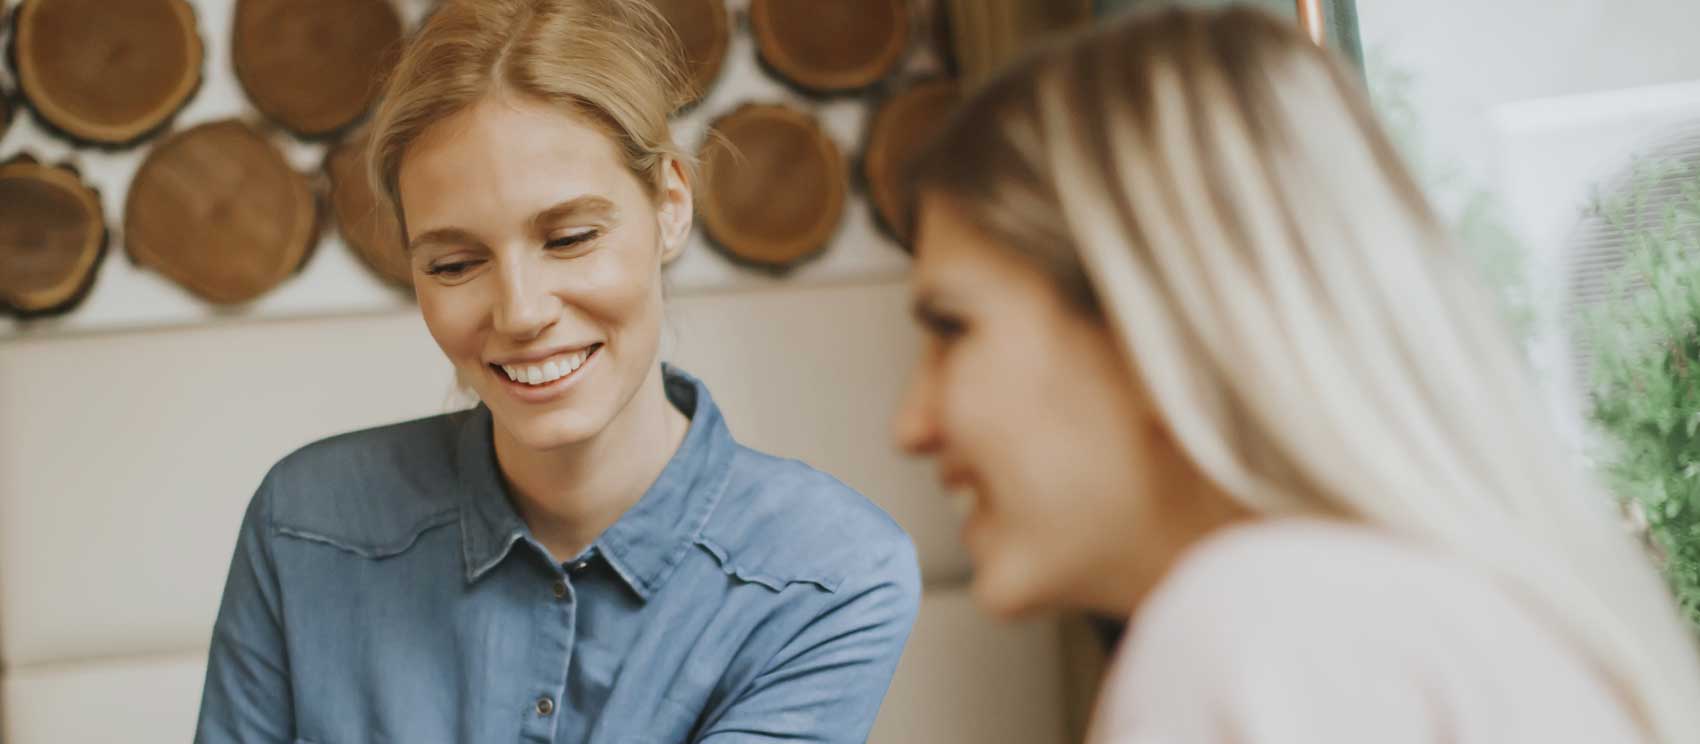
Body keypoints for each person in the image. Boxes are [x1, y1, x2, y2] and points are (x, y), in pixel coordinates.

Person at [892, 6, 1700, 742]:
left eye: (952, 329)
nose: (912, 424)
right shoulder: (1462, 608)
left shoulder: (1262, 621)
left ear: (1155, 330)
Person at [195, 1, 920, 741]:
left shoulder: (829, 574)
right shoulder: (307, 526)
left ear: (670, 203)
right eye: (454, 262)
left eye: (570, 237)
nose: (519, 311)